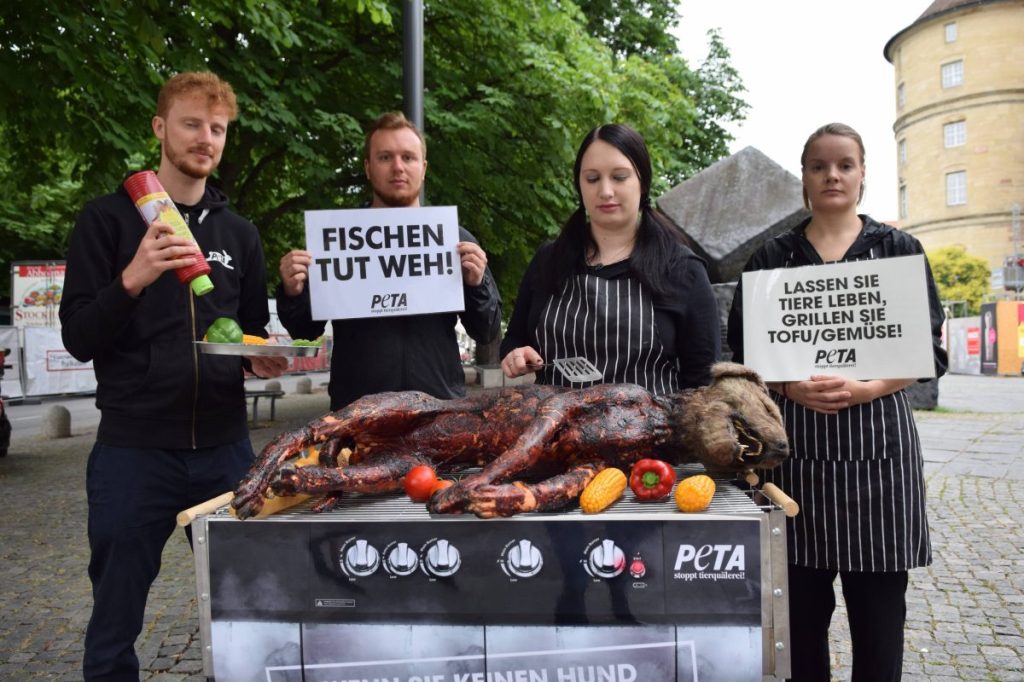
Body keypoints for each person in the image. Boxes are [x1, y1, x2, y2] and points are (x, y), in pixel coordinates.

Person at [59, 71, 287, 681]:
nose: (205, 138)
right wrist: (133, 277)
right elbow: (77, 336)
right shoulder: (106, 220)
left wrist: (261, 360)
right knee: (115, 617)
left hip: (224, 449)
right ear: (160, 128)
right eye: (192, 123)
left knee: (248, 609)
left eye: (217, 129)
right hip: (133, 451)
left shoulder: (239, 233)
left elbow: (249, 333)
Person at [726, 122, 948, 682]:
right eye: (819, 165)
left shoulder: (899, 249)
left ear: (863, 173)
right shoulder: (772, 258)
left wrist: (871, 387)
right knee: (799, 621)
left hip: (881, 457)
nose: (832, 175)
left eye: (844, 164)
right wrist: (789, 387)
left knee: (879, 620)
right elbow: (743, 354)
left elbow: (929, 350)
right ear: (803, 176)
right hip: (794, 460)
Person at [276, 111, 501, 410]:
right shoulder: (336, 242)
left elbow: (487, 330)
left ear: (423, 168)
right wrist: (292, 291)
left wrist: (477, 284)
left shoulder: (455, 239)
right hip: (357, 414)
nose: (398, 167)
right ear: (368, 168)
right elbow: (304, 331)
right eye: (385, 157)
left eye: (408, 157)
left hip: (437, 409)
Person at [501, 123, 719, 393]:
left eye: (619, 177)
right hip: (556, 429)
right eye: (592, 179)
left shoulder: (682, 269)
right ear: (579, 185)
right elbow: (514, 339)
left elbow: (703, 382)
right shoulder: (549, 260)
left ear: (643, 182)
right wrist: (516, 354)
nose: (605, 191)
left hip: (650, 432)